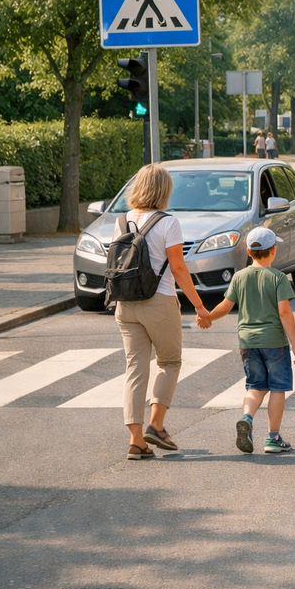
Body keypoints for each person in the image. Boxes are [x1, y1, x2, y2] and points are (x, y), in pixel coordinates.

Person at [115, 164, 209, 460]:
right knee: (169, 362)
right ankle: (155, 425)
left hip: (125, 303)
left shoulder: (122, 220)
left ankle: (135, 441)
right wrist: (199, 305)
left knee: (135, 369)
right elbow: (178, 268)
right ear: (164, 190)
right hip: (160, 301)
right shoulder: (169, 223)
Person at [199, 227, 295, 455]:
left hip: (247, 342)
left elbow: (225, 307)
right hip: (274, 341)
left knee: (256, 386)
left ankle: (247, 417)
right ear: (273, 250)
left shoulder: (239, 277)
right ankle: (273, 438)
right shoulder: (278, 278)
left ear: (248, 251)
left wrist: (207, 316)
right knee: (277, 388)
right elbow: (285, 313)